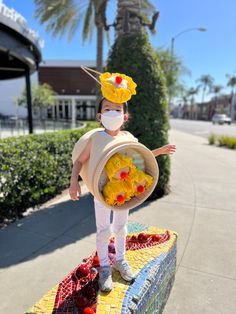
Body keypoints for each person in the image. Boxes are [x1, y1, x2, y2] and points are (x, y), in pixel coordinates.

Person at [69, 97, 176, 292]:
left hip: (124, 192)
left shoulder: (128, 137)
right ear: (99, 116)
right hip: (101, 191)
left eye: (117, 109)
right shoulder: (96, 139)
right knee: (103, 230)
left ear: (124, 116)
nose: (112, 113)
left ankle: (120, 260)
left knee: (120, 227)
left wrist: (159, 151)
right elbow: (79, 161)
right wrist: (74, 181)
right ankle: (104, 267)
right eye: (108, 109)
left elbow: (138, 158)